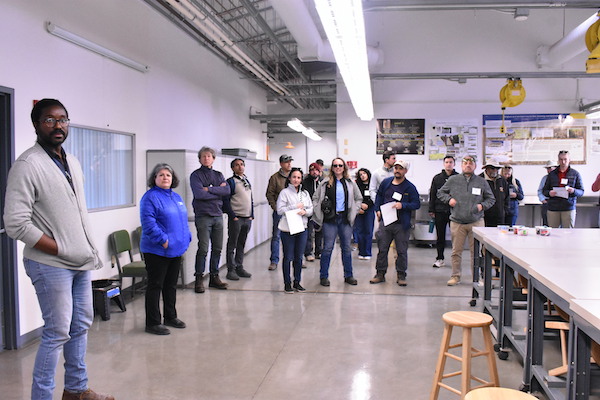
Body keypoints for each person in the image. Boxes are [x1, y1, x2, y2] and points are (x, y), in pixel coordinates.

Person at [3, 99, 114, 400]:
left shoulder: (72, 162)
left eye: (62, 119)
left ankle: (76, 390)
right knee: (56, 333)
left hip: (78, 262)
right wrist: (60, 248)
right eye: (49, 120)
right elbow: (15, 223)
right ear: (37, 124)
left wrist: (78, 250)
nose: (58, 125)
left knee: (80, 325)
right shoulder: (28, 165)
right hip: (50, 264)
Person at [140, 163, 192, 335]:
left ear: (173, 178)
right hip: (157, 250)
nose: (165, 178)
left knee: (170, 285)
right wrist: (163, 241)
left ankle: (170, 316)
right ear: (154, 179)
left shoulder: (175, 196)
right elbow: (148, 223)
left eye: (168, 175)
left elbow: (182, 220)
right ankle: (152, 322)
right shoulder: (150, 197)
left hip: (176, 248)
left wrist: (187, 237)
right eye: (161, 175)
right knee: (155, 285)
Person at [437, 155, 495, 286]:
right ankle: (455, 276)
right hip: (457, 222)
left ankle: (478, 278)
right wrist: (448, 200)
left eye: (471, 163)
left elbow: (491, 199)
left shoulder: (482, 182)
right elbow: (440, 193)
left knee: (477, 252)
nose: (468, 165)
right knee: (456, 251)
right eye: (465, 163)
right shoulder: (453, 180)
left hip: (476, 222)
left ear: (474, 166)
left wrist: (482, 206)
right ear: (461, 166)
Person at [312, 158, 362, 286]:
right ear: (332, 168)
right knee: (327, 248)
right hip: (330, 220)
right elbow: (316, 198)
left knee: (346, 248)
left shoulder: (350, 183)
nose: (338, 167)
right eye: (335, 165)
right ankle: (323, 276)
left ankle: (348, 275)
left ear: (344, 167)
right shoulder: (325, 183)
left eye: (340, 165)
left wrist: (354, 211)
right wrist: (318, 213)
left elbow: (358, 198)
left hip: (345, 220)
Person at [370, 160, 420, 286]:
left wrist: (402, 205)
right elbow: (379, 197)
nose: (397, 170)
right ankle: (380, 274)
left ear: (405, 171)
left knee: (401, 251)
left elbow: (416, 204)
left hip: (401, 225)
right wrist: (377, 210)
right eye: (396, 168)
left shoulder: (410, 187)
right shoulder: (386, 183)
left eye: (400, 168)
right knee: (382, 249)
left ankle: (401, 275)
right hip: (386, 222)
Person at [190, 146, 230, 292]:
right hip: (203, 216)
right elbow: (199, 194)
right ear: (199, 159)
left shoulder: (218, 175)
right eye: (203, 156)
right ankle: (199, 279)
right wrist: (216, 191)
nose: (206, 158)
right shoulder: (195, 175)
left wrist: (210, 189)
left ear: (213, 158)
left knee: (218, 248)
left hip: (218, 216)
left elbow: (227, 191)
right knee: (203, 249)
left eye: (209, 156)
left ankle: (214, 277)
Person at [277, 168, 313, 293]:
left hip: (302, 228)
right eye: (294, 177)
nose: (296, 180)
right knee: (288, 256)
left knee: (299, 257)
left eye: (298, 177)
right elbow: (280, 210)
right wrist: (294, 207)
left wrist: (305, 212)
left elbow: (310, 209)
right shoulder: (284, 193)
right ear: (289, 178)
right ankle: (287, 283)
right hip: (287, 229)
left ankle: (297, 282)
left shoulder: (305, 193)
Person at [223, 158, 253, 280]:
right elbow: (225, 200)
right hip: (237, 218)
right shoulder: (230, 182)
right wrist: (233, 216)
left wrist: (252, 214)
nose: (240, 167)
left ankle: (239, 266)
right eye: (237, 165)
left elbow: (250, 198)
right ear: (232, 168)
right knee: (232, 244)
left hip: (247, 218)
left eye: (241, 164)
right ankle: (231, 270)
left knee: (241, 243)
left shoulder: (246, 180)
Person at [428, 155, 458, 268]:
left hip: (455, 211)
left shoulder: (459, 177)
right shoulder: (437, 178)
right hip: (440, 210)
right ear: (444, 164)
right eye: (447, 162)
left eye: (451, 162)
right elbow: (433, 194)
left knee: (456, 237)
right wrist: (431, 209)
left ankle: (456, 260)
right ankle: (440, 258)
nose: (449, 164)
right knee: (440, 236)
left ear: (454, 164)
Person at [542, 150, 584, 228]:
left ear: (569, 160)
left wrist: (574, 191)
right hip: (553, 208)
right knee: (553, 233)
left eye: (565, 159)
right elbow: (544, 191)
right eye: (561, 159)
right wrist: (549, 193)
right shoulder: (552, 174)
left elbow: (581, 191)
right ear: (558, 160)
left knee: (568, 233)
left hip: (568, 207)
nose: (563, 162)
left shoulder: (575, 174)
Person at [265, 154, 293, 270]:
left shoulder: (294, 176)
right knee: (276, 236)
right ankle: (274, 261)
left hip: (292, 211)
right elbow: (269, 194)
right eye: (287, 162)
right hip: (280, 212)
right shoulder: (274, 178)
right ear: (281, 164)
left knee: (295, 236)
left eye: (290, 162)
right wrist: (275, 207)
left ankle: (295, 259)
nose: (289, 164)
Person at [302, 162, 323, 261]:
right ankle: (308, 252)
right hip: (309, 210)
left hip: (320, 211)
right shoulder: (305, 182)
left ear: (319, 171)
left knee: (320, 232)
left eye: (316, 170)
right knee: (309, 233)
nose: (314, 172)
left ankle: (318, 252)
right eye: (312, 170)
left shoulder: (323, 182)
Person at [479, 161, 509, 227]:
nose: (495, 170)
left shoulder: (502, 180)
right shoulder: (479, 179)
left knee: (499, 236)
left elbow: (507, 197)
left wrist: (505, 211)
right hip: (484, 217)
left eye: (497, 168)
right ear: (486, 168)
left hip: (500, 217)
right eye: (492, 168)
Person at [354, 168, 375, 260]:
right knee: (360, 231)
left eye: (364, 174)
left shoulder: (372, 185)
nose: (362, 175)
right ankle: (361, 252)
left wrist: (367, 205)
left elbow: (374, 197)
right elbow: (354, 198)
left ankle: (367, 252)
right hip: (359, 210)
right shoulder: (357, 185)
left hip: (369, 210)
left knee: (368, 231)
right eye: (360, 174)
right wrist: (359, 207)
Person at [537, 160, 558, 226]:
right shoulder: (544, 178)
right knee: (546, 223)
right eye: (548, 169)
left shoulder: (559, 178)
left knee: (557, 224)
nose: (549, 170)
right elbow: (540, 190)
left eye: (550, 168)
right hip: (547, 203)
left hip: (557, 203)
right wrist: (543, 200)